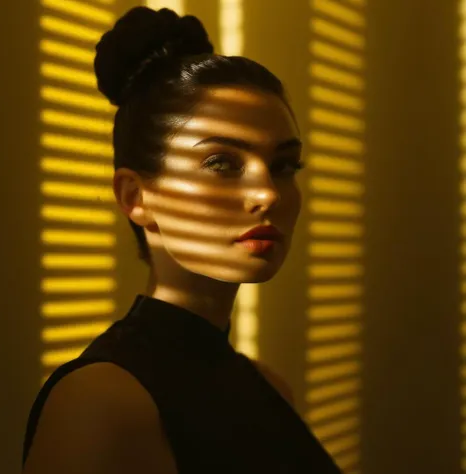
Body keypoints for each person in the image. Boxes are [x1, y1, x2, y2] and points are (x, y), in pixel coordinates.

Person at [22, 6, 342, 474]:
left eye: (284, 166)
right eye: (222, 163)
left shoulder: (267, 387)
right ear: (136, 196)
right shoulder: (102, 405)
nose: (268, 193)